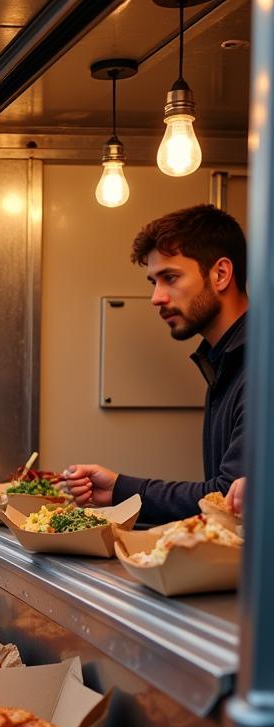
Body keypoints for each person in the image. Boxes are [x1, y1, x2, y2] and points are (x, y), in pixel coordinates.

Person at [66, 204, 248, 523]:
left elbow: (228, 501)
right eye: (153, 281)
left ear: (221, 274)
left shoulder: (261, 367)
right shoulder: (223, 360)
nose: (156, 297)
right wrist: (118, 491)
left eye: (170, 277)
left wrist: (123, 489)